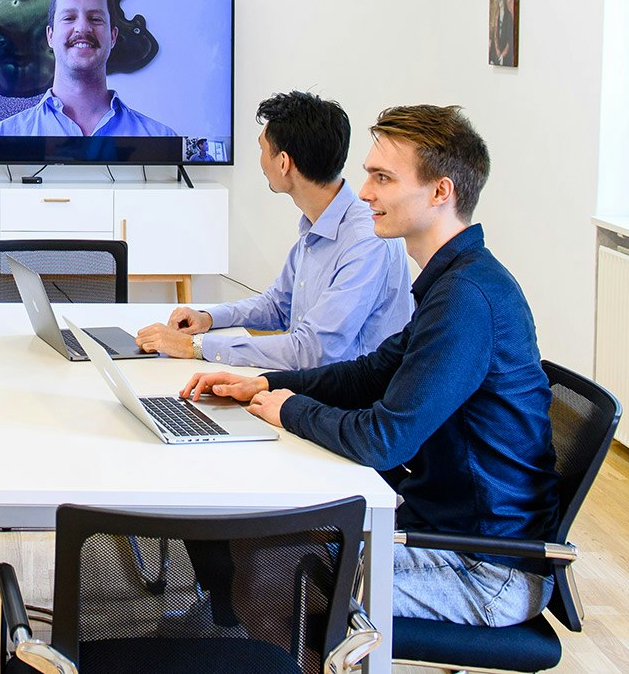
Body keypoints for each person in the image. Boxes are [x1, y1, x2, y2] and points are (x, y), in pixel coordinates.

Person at [181, 105, 559, 628]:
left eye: (382, 178)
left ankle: (251, 647)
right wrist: (264, 384)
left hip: (481, 568)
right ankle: (231, 642)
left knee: (272, 576)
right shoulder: (453, 280)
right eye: (368, 175)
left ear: (440, 192)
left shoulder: (467, 299)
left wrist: (290, 410)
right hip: (439, 527)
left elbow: (385, 439)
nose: (364, 193)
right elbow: (371, 372)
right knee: (255, 536)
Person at [135, 91, 410, 370]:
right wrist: (209, 317)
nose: (261, 162)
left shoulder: (366, 240)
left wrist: (194, 346)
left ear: (283, 162)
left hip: (349, 404)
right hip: (315, 387)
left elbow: (311, 350)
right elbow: (278, 306)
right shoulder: (318, 224)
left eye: (262, 149)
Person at [0, 0, 177, 137]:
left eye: (95, 19)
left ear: (113, 37)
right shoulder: (2, 136)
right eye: (69, 18)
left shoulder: (161, 137)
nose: (83, 28)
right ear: (50, 36)